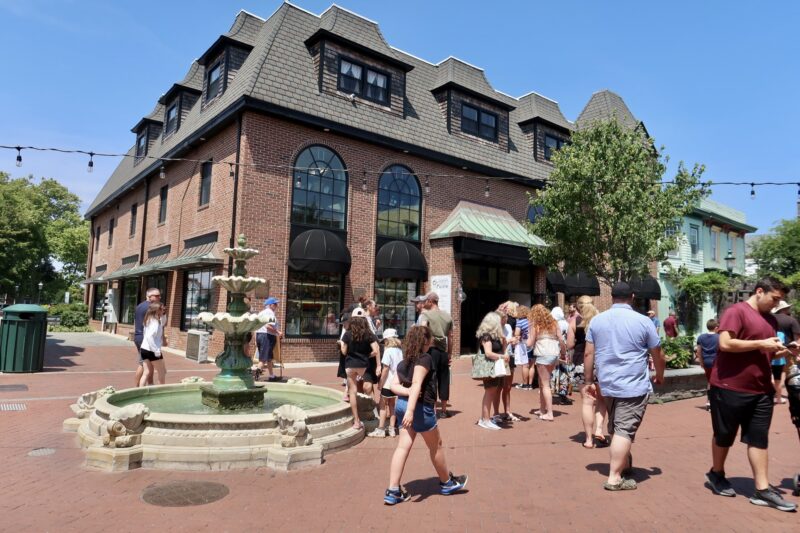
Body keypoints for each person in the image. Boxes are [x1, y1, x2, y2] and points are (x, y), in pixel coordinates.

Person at [705, 277, 797, 511]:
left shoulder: (770, 319)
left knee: (759, 438)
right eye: (774, 298)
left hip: (761, 391)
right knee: (724, 435)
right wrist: (761, 344)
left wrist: (783, 352)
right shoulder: (736, 312)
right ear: (759, 291)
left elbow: (764, 354)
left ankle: (762, 490)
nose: (777, 303)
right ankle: (717, 473)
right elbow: (725, 344)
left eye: (780, 300)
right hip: (729, 387)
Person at [584, 282, 665, 491]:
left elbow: (588, 354)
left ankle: (624, 463)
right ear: (632, 296)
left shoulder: (597, 321)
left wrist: (587, 381)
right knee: (624, 429)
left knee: (617, 425)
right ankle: (614, 477)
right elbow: (657, 353)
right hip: (633, 384)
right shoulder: (644, 321)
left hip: (608, 382)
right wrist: (660, 375)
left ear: (612, 297)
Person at [384, 325, 468, 504]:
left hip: (402, 405)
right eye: (430, 339)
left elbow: (393, 385)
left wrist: (406, 398)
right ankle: (447, 482)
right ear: (426, 341)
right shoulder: (425, 359)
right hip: (419, 409)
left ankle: (393, 490)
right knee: (436, 446)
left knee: (402, 447)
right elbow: (416, 384)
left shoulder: (404, 362)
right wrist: (411, 410)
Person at [567, 298, 607, 448]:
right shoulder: (601, 321)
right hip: (601, 363)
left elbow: (570, 344)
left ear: (578, 307)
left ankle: (588, 440)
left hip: (580, 363)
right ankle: (599, 429)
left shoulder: (574, 322)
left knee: (587, 402)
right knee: (602, 399)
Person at [340, 308, 380, 430]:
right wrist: (367, 355)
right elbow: (376, 350)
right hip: (364, 364)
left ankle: (357, 421)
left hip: (350, 365)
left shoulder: (347, 334)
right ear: (364, 320)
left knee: (352, 392)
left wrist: (342, 344)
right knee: (368, 389)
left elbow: (344, 351)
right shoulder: (369, 334)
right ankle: (373, 414)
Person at [527, 304, 565, 421]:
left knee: (545, 384)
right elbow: (560, 339)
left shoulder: (536, 325)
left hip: (543, 354)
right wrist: (563, 352)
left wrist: (523, 340)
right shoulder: (554, 323)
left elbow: (529, 343)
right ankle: (542, 409)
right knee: (542, 383)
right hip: (554, 354)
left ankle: (549, 413)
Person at [419, 292, 454, 418]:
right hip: (443, 351)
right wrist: (449, 353)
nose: (424, 303)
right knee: (444, 379)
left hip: (431, 350)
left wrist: (421, 349)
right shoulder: (447, 316)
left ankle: (432, 409)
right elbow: (450, 337)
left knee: (431, 378)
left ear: (430, 301)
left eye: (425, 301)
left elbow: (423, 332)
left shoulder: (425, 315)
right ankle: (444, 410)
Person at [369, 328, 403, 438]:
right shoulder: (399, 351)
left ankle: (381, 429)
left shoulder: (388, 351)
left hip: (388, 382)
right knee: (392, 405)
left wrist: (380, 384)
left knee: (383, 406)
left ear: (387, 340)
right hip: (396, 382)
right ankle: (392, 428)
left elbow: (385, 369)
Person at [772, 300, 800, 405]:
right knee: (791, 375)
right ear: (784, 309)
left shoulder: (770, 319)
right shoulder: (791, 320)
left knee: (773, 375)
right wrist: (797, 353)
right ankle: (792, 395)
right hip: (789, 350)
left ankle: (774, 394)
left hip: (772, 350)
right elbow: (797, 339)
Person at [133, 288, 162, 387]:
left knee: (148, 363)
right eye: (157, 296)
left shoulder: (139, 306)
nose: (159, 297)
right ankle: (137, 387)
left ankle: (150, 384)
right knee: (143, 364)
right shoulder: (151, 308)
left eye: (159, 295)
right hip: (145, 339)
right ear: (149, 296)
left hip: (138, 336)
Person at [139, 302, 167, 387]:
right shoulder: (154, 322)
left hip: (144, 349)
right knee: (162, 372)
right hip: (152, 350)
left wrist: (164, 314)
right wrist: (156, 350)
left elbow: (163, 323)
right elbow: (149, 337)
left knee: (146, 372)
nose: (164, 310)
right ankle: (161, 391)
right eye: (162, 309)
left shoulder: (148, 319)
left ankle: (140, 391)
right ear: (157, 310)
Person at [255, 297, 282, 382]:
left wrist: (256, 339)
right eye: (275, 304)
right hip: (267, 336)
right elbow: (268, 326)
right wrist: (278, 332)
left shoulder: (261, 313)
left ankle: (272, 376)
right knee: (263, 358)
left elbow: (256, 326)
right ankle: (256, 375)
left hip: (260, 335)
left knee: (269, 357)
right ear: (270, 305)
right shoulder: (270, 313)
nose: (277, 306)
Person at [695, 319, 720, 410]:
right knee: (716, 382)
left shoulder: (701, 337)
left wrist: (701, 362)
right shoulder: (719, 337)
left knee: (710, 381)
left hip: (706, 362)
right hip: (716, 363)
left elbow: (698, 351)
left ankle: (709, 402)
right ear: (716, 327)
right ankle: (715, 402)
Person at [513, 305, 533, 390]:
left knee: (525, 365)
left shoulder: (520, 322)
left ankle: (525, 385)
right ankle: (530, 385)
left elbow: (517, 334)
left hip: (524, 345)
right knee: (532, 365)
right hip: (533, 343)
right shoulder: (532, 321)